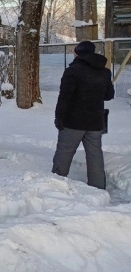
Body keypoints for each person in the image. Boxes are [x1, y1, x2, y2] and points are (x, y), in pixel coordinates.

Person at [52, 40, 114, 189]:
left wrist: (59, 116)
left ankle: (56, 185)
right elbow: (109, 95)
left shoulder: (72, 71)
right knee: (95, 155)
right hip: (95, 121)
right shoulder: (105, 71)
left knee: (64, 153)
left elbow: (65, 96)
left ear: (78, 53)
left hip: (73, 121)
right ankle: (98, 188)